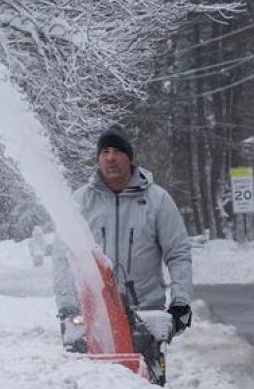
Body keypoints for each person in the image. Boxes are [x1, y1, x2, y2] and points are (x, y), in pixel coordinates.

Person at [54, 124, 194, 336]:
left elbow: (178, 254)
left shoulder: (157, 200)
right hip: (95, 318)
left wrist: (180, 302)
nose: (111, 157)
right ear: (98, 159)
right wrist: (67, 306)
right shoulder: (79, 203)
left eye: (118, 151)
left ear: (129, 157)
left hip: (146, 316)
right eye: (105, 152)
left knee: (145, 360)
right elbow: (62, 257)